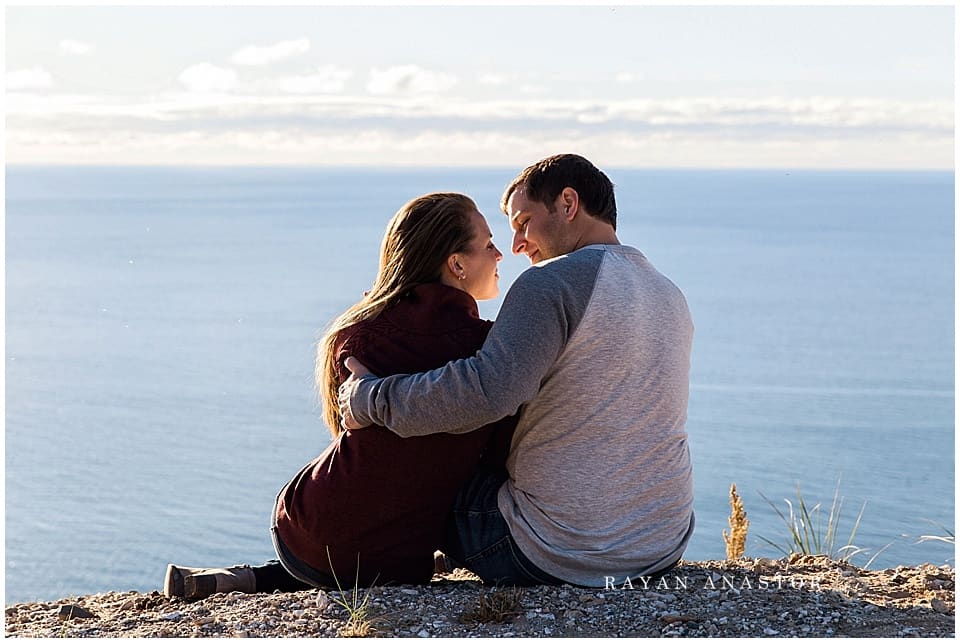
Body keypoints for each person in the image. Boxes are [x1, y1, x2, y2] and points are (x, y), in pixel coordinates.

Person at [340, 154, 695, 588]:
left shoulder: (551, 282)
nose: (517, 246)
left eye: (524, 222)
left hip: (555, 552)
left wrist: (371, 399)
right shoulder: (668, 292)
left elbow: (486, 393)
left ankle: (312, 566)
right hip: (660, 547)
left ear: (567, 203)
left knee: (424, 468)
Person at [164, 192, 515, 600]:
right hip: (395, 558)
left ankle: (241, 579)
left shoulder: (355, 333)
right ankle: (247, 578)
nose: (500, 254)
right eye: (488, 244)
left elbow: (350, 440)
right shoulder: (487, 353)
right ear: (456, 264)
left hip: (305, 527)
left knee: (352, 546)